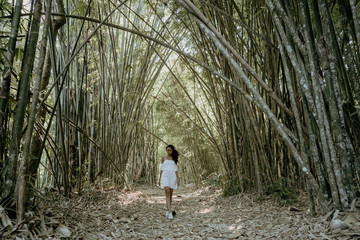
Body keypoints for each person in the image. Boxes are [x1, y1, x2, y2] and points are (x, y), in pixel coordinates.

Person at [158, 145, 180, 219]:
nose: (169, 151)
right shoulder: (164, 158)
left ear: (172, 151)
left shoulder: (174, 158)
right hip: (165, 176)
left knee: (170, 194)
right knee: (167, 193)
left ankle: (168, 209)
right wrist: (159, 179)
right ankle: (170, 212)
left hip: (172, 176)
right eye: (168, 150)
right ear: (166, 150)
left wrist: (178, 179)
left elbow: (176, 170)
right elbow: (161, 169)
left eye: (170, 150)